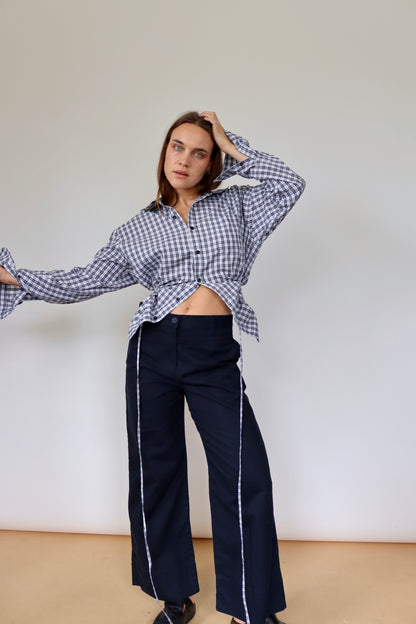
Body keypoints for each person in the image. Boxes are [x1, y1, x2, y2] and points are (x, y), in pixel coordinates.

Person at [0, 111, 306, 624]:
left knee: (245, 472)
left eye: (200, 152)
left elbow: (289, 184)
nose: (184, 159)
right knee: (155, 474)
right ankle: (173, 596)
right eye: (177, 147)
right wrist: (12, 277)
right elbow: (83, 280)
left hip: (213, 353)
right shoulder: (136, 229)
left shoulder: (239, 206)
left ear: (213, 163)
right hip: (153, 351)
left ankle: (250, 607)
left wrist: (231, 142)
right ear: (164, 152)